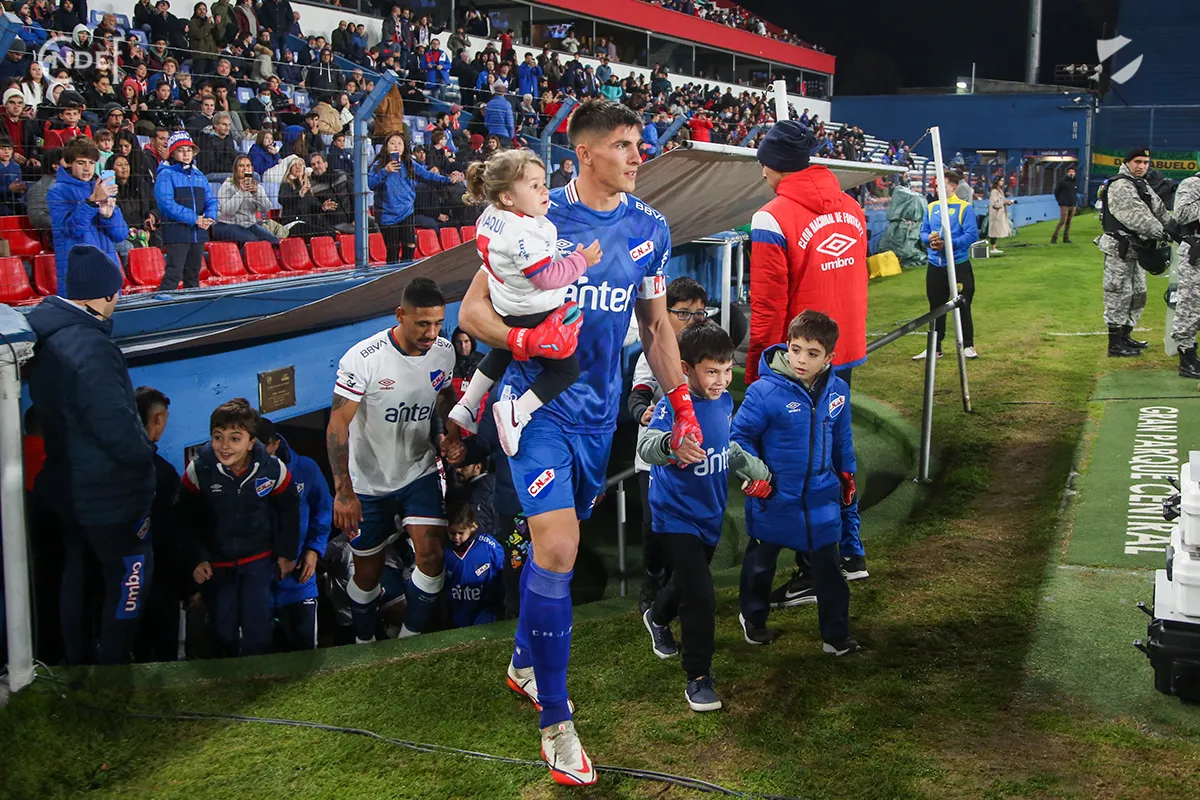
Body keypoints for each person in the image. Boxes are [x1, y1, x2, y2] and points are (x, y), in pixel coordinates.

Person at [457, 99, 700, 786]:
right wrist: (525, 339)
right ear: (584, 154)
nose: (637, 156)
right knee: (559, 549)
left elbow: (656, 326)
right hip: (535, 408)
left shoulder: (650, 227)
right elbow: (472, 310)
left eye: (638, 144)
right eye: (623, 145)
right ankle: (557, 723)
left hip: (599, 418)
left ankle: (523, 662)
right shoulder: (535, 217)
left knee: (553, 555)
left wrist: (681, 404)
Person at [26, 244, 157, 665]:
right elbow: (116, 428)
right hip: (109, 497)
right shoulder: (92, 347)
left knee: (77, 578)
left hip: (68, 488)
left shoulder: (47, 336)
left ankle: (77, 667)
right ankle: (113, 673)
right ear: (107, 293)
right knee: (130, 579)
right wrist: (146, 454)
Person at [639, 322, 772, 711]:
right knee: (701, 595)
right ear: (685, 368)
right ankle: (698, 677)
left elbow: (726, 447)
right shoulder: (671, 406)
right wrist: (671, 444)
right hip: (674, 515)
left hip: (710, 514)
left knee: (685, 581)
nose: (722, 379)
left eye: (727, 370)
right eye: (712, 371)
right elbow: (647, 446)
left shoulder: (725, 401)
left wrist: (756, 469)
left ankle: (657, 617)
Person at [326, 278, 458, 642]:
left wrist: (452, 432)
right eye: (423, 323)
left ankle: (408, 643)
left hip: (419, 471)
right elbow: (337, 425)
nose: (432, 333)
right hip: (369, 483)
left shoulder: (444, 351)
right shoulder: (364, 358)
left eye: (438, 323)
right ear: (400, 315)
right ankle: (363, 640)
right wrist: (343, 491)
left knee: (432, 557)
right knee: (367, 575)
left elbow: (445, 395)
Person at [448, 150, 602, 456]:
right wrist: (580, 261)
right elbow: (546, 277)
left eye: (543, 183)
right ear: (507, 197)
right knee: (565, 371)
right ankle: (518, 412)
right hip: (533, 311)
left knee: (500, 351)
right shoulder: (524, 233)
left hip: (504, 303)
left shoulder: (490, 215)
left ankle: (467, 403)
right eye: (534, 186)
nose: (545, 191)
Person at [733, 310, 858, 656]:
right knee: (761, 564)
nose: (801, 359)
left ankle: (836, 636)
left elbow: (842, 437)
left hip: (821, 499)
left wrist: (847, 473)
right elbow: (739, 438)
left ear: (829, 357)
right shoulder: (763, 392)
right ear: (787, 345)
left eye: (812, 353)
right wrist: (756, 476)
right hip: (773, 497)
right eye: (796, 349)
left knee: (830, 570)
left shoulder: (838, 391)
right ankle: (752, 618)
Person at [747, 121, 868, 388]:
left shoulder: (770, 218)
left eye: (763, 164)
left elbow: (768, 306)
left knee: (797, 417)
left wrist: (759, 365)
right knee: (834, 412)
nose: (763, 174)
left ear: (777, 164)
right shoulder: (852, 206)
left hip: (799, 357)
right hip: (842, 345)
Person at [180, 399, 300, 658]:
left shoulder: (272, 468)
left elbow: (290, 511)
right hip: (216, 565)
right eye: (218, 437)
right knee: (222, 630)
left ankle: (258, 678)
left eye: (235, 438)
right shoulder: (198, 470)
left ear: (250, 441)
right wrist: (197, 558)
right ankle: (225, 678)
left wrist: (287, 553)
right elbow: (184, 520)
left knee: (259, 630)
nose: (225, 446)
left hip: (258, 561)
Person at [628, 277, 708, 612]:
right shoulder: (652, 352)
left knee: (692, 522)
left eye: (699, 313)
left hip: (695, 456)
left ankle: (679, 585)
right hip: (655, 459)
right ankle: (653, 579)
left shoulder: (708, 350)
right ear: (665, 312)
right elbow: (638, 396)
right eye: (684, 313)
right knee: (653, 527)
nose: (694, 320)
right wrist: (643, 413)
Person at [257, 418, 332, 652]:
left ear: (276, 444)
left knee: (305, 653)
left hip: (299, 580)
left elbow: (323, 509)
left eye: (263, 447)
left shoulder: (305, 469)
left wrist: (314, 550)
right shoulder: (240, 477)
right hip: (257, 584)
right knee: (263, 656)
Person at [1096, 148, 1174, 358]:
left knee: (1138, 294)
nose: (1142, 166)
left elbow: (1158, 210)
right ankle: (1115, 343)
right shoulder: (1120, 184)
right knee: (1118, 294)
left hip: (1137, 250)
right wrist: (1165, 233)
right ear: (1127, 162)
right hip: (1119, 249)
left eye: (1146, 162)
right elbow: (1137, 217)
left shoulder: (1140, 184)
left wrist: (1175, 227)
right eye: (1137, 161)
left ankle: (1126, 335)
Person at [131, 386, 188, 663]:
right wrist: (187, 586)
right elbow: (173, 535)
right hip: (160, 581)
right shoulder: (162, 474)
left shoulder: (109, 467)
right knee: (164, 656)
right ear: (158, 419)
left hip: (119, 580)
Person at [47, 137, 128, 295]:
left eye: (91, 163)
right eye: (81, 162)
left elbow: (121, 235)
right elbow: (71, 229)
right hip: (79, 271)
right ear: (69, 163)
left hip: (107, 267)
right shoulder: (57, 191)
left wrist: (108, 217)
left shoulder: (100, 187)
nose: (87, 168)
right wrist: (91, 203)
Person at [368, 132, 463, 263]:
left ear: (404, 147)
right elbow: (371, 184)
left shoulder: (410, 164)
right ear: (386, 146)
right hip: (387, 214)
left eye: (400, 143)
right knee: (393, 249)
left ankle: (406, 272)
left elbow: (428, 175)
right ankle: (394, 275)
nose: (396, 146)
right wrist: (385, 171)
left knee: (410, 245)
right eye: (392, 143)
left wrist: (448, 180)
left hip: (407, 211)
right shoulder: (378, 165)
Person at [916, 169, 979, 360]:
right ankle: (935, 347)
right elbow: (923, 232)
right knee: (935, 306)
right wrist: (929, 239)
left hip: (958, 264)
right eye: (936, 186)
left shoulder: (964, 208)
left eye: (942, 186)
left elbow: (971, 235)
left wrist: (948, 244)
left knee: (963, 304)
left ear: (953, 187)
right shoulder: (931, 207)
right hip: (935, 265)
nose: (937, 190)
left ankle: (967, 345)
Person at [155, 130, 218, 290]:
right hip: (177, 234)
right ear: (173, 153)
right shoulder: (166, 175)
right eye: (181, 150)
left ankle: (193, 304)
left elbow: (211, 200)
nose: (186, 154)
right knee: (174, 274)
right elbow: (166, 204)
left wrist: (210, 216)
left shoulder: (199, 175)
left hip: (199, 233)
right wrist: (195, 218)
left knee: (193, 274)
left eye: (189, 150)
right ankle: (163, 303)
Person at [443, 497, 506, 628]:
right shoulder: (442, 550)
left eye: (461, 533)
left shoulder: (488, 546)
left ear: (473, 527)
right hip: (455, 612)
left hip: (486, 610)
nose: (456, 537)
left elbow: (506, 568)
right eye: (452, 533)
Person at [214, 154, 278, 243]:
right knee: (252, 241)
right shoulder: (227, 186)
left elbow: (266, 208)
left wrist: (256, 193)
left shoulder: (257, 187)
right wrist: (241, 192)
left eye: (248, 166)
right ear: (236, 170)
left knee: (274, 241)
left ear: (252, 169)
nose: (245, 169)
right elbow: (228, 212)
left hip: (248, 225)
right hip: (226, 224)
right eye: (241, 166)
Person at [1051, 165, 1079, 244]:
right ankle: (1054, 237)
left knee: (1069, 222)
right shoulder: (1062, 182)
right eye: (1069, 172)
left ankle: (1066, 238)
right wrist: (1060, 201)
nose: (1071, 173)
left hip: (1072, 204)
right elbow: (1056, 192)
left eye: (1072, 172)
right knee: (1063, 220)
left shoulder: (1075, 182)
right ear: (1067, 173)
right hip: (1064, 204)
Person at [0, 136, 27, 215]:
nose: (6, 151)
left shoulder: (16, 167)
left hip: (14, 202)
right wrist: (8, 189)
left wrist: (20, 189)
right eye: (2, 149)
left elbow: (19, 188)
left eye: (9, 149)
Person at [988, 177, 1014, 256]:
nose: (1002, 182)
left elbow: (1001, 201)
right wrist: (1004, 203)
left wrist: (1006, 202)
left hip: (1000, 214)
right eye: (1001, 180)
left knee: (996, 231)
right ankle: (993, 248)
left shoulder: (1000, 191)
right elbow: (995, 204)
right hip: (996, 214)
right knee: (994, 231)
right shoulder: (994, 192)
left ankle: (994, 247)